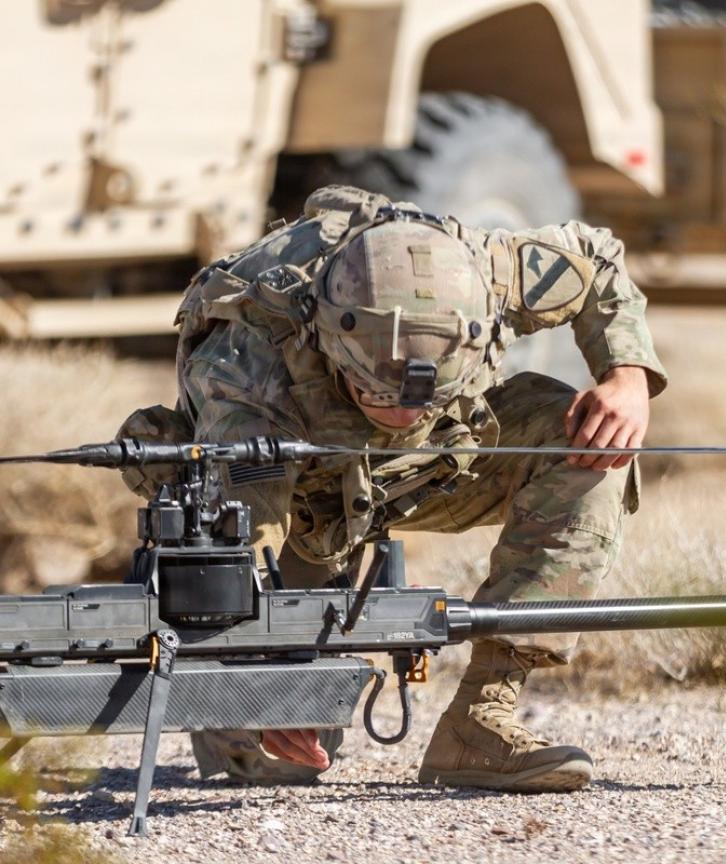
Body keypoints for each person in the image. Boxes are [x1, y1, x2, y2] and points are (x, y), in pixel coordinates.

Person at [119, 185, 667, 792]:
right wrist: (257, 682)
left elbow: (597, 259)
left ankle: (480, 721)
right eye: (375, 394)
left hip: (433, 462)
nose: (404, 415)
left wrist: (627, 377)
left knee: (590, 448)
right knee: (278, 757)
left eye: (422, 400)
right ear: (332, 341)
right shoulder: (250, 379)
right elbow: (239, 551)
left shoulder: (488, 275)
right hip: (302, 499)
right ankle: (241, 719)